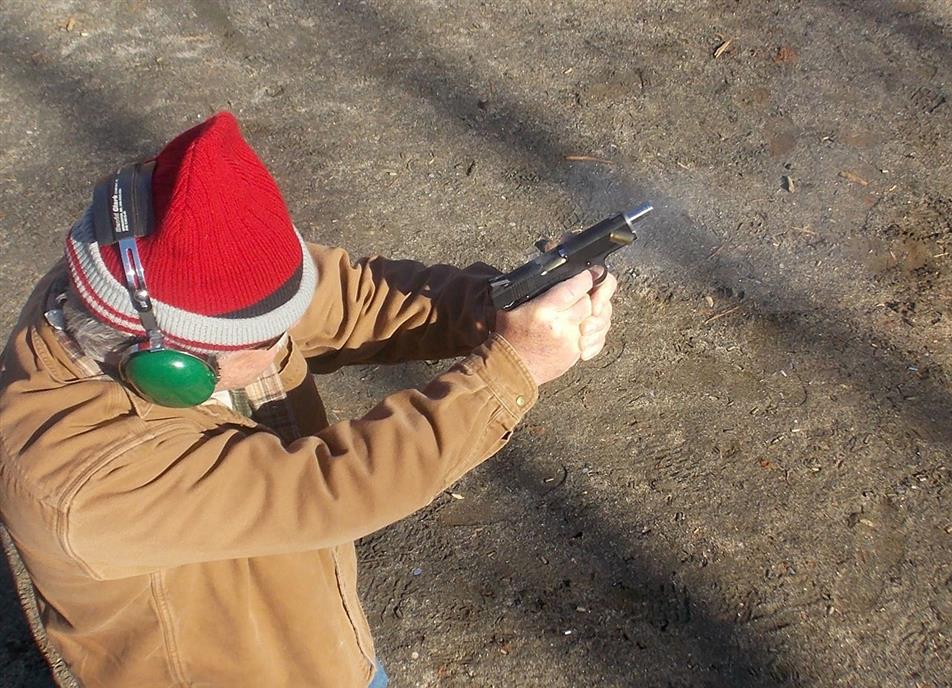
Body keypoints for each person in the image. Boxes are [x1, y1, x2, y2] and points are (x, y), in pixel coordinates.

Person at [0, 111, 616, 687]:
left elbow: (349, 298)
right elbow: (332, 487)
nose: (284, 346)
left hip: (317, 646)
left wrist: (501, 304)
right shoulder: (78, 482)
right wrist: (512, 369)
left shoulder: (135, 283)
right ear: (171, 366)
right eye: (263, 341)